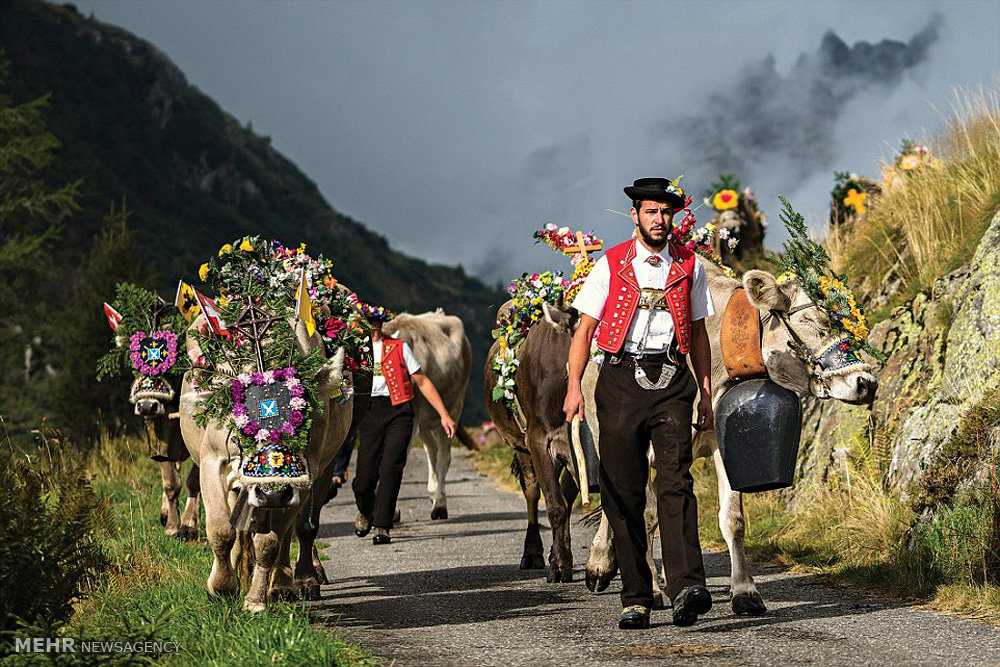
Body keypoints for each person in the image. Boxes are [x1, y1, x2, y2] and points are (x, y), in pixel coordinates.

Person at [563, 177, 716, 629]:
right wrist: (574, 387)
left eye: (666, 213)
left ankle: (687, 585)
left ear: (675, 217)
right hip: (619, 381)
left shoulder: (691, 265)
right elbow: (585, 330)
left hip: (672, 382)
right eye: (651, 212)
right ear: (636, 216)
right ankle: (636, 596)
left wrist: (705, 391)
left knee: (676, 481)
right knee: (622, 489)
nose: (659, 220)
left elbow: (701, 333)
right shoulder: (611, 264)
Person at [352, 303, 457, 545]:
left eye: (378, 323)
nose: (375, 328)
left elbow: (422, 381)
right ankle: (366, 510)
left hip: (399, 410)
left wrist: (444, 414)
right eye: (370, 323)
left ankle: (382, 525)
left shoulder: (398, 348)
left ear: (383, 325)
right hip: (369, 412)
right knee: (364, 477)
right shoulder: (357, 353)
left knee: (391, 468)